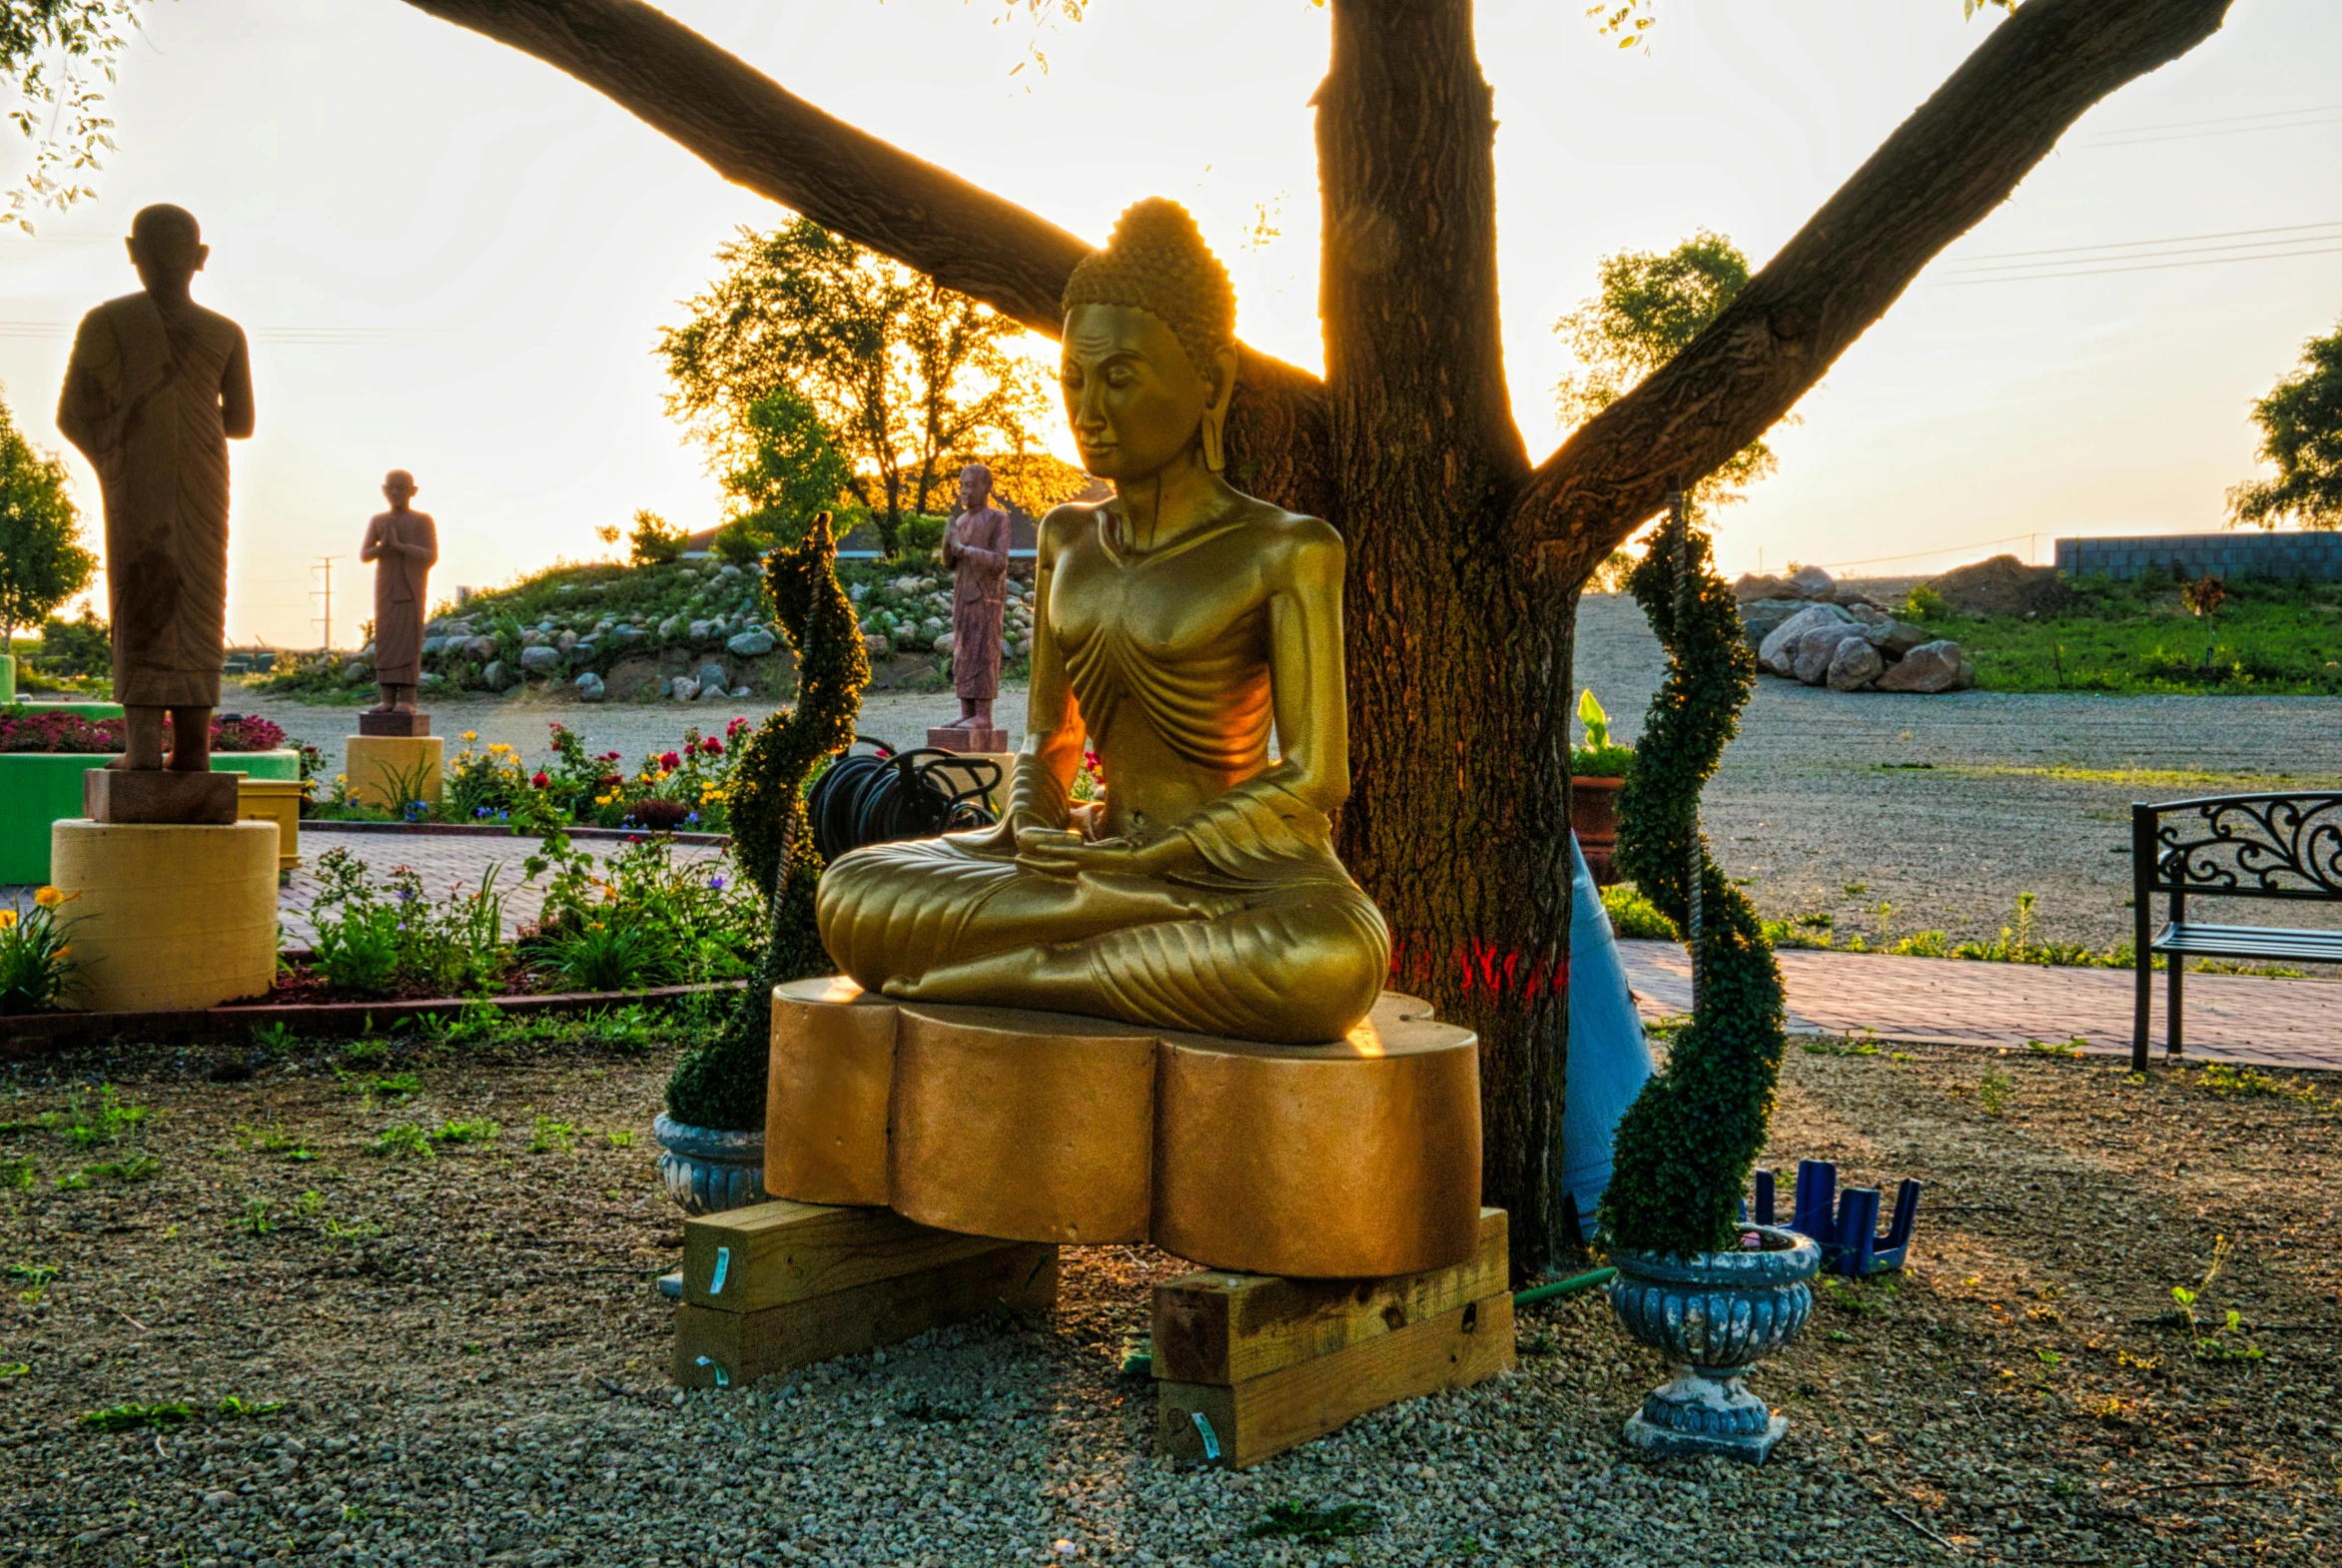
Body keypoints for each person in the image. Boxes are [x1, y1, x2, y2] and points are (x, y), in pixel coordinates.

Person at [816, 199, 1388, 1045]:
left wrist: (1148, 862)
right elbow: (1050, 732)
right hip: (1088, 854)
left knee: (1327, 964)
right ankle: (1073, 951)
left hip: (1232, 877)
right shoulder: (1064, 535)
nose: (1088, 408)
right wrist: (1041, 829)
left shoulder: (1286, 549)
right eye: (1073, 379)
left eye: (1119, 377)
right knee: (855, 891)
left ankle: (1024, 968)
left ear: (1211, 384)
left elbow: (1313, 777)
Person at [56, 203, 254, 772]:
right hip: (154, 477)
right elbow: (238, 421)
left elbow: (75, 415)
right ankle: (157, 750)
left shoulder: (122, 322)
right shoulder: (117, 322)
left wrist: (137, 440)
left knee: (179, 596)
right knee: (163, 596)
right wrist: (123, 459)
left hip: (180, 480)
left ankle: (182, 749)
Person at [939, 462, 1011, 736]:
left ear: (986, 487)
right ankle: (966, 713)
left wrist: (964, 549)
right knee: (963, 653)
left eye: (971, 486)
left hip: (986, 597)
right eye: (962, 486)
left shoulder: (997, 519)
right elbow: (949, 563)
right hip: (963, 595)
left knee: (982, 652)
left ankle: (983, 715)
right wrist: (948, 543)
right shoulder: (960, 521)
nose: (964, 492)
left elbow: (999, 562)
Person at [359, 469, 438, 713]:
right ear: (384, 490)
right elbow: (365, 555)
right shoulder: (378, 521)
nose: (395, 493)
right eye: (391, 488)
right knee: (385, 640)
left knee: (408, 641)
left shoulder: (423, 520)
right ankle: (387, 699)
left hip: (410, 589)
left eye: (401, 488)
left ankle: (407, 700)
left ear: (412, 491)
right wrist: (383, 548)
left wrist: (400, 547)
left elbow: (430, 556)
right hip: (386, 590)